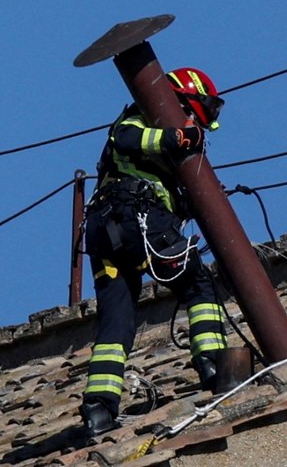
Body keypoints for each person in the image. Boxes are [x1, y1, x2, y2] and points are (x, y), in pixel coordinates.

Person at [80, 67, 228, 440]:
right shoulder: (141, 116)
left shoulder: (160, 145)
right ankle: (214, 364)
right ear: (187, 98)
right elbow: (127, 138)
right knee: (198, 285)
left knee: (117, 321)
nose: (198, 122)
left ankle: (99, 407)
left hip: (105, 230)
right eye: (201, 110)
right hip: (138, 217)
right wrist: (177, 136)